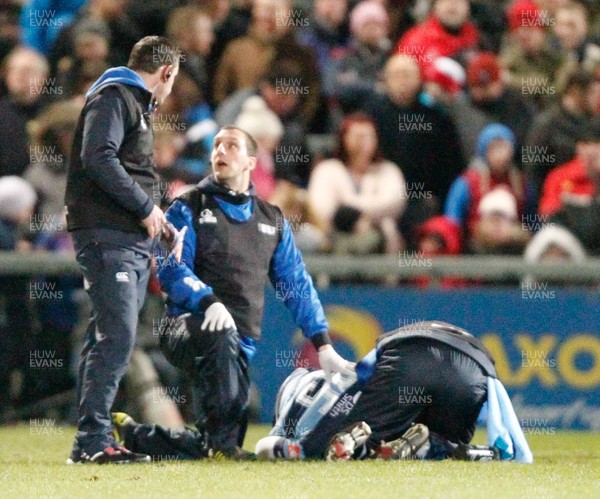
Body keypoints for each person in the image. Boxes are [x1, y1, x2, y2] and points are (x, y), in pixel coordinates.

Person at [114, 125, 353, 460]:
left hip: (240, 340)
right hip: (184, 326)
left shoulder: (272, 220)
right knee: (227, 427)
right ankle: (222, 446)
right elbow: (169, 269)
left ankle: (138, 438)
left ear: (251, 162)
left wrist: (323, 344)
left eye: (231, 146)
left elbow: (295, 284)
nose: (220, 152)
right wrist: (208, 301)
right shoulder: (188, 206)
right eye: (216, 146)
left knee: (229, 425)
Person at [113, 321, 532, 463]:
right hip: (478, 375)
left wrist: (287, 444)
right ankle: (465, 452)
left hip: (415, 354)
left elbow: (279, 448)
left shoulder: (309, 395)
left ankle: (373, 441)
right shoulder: (337, 380)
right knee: (442, 451)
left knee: (329, 446)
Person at [64, 36, 181, 464]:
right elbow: (97, 156)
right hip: (106, 235)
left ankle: (90, 440)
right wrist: (144, 206)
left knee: (110, 336)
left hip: (124, 237)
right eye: (172, 81)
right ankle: (92, 442)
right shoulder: (115, 97)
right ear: (166, 73)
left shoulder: (131, 105)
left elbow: (130, 172)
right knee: (118, 336)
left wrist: (161, 221)